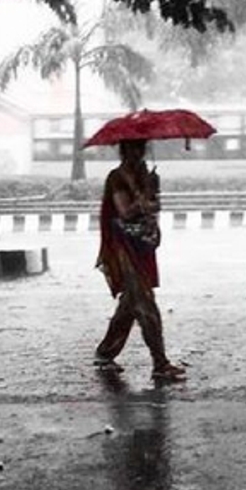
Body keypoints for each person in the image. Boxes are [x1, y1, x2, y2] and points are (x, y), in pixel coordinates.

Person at [94, 139, 186, 381]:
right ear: (124, 151)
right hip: (124, 247)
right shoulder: (117, 177)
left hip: (143, 244)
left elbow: (155, 206)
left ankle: (105, 353)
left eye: (141, 149)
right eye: (133, 149)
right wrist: (143, 199)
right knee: (145, 302)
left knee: (131, 303)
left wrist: (152, 192)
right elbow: (124, 211)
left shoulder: (146, 175)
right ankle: (160, 363)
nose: (138, 154)